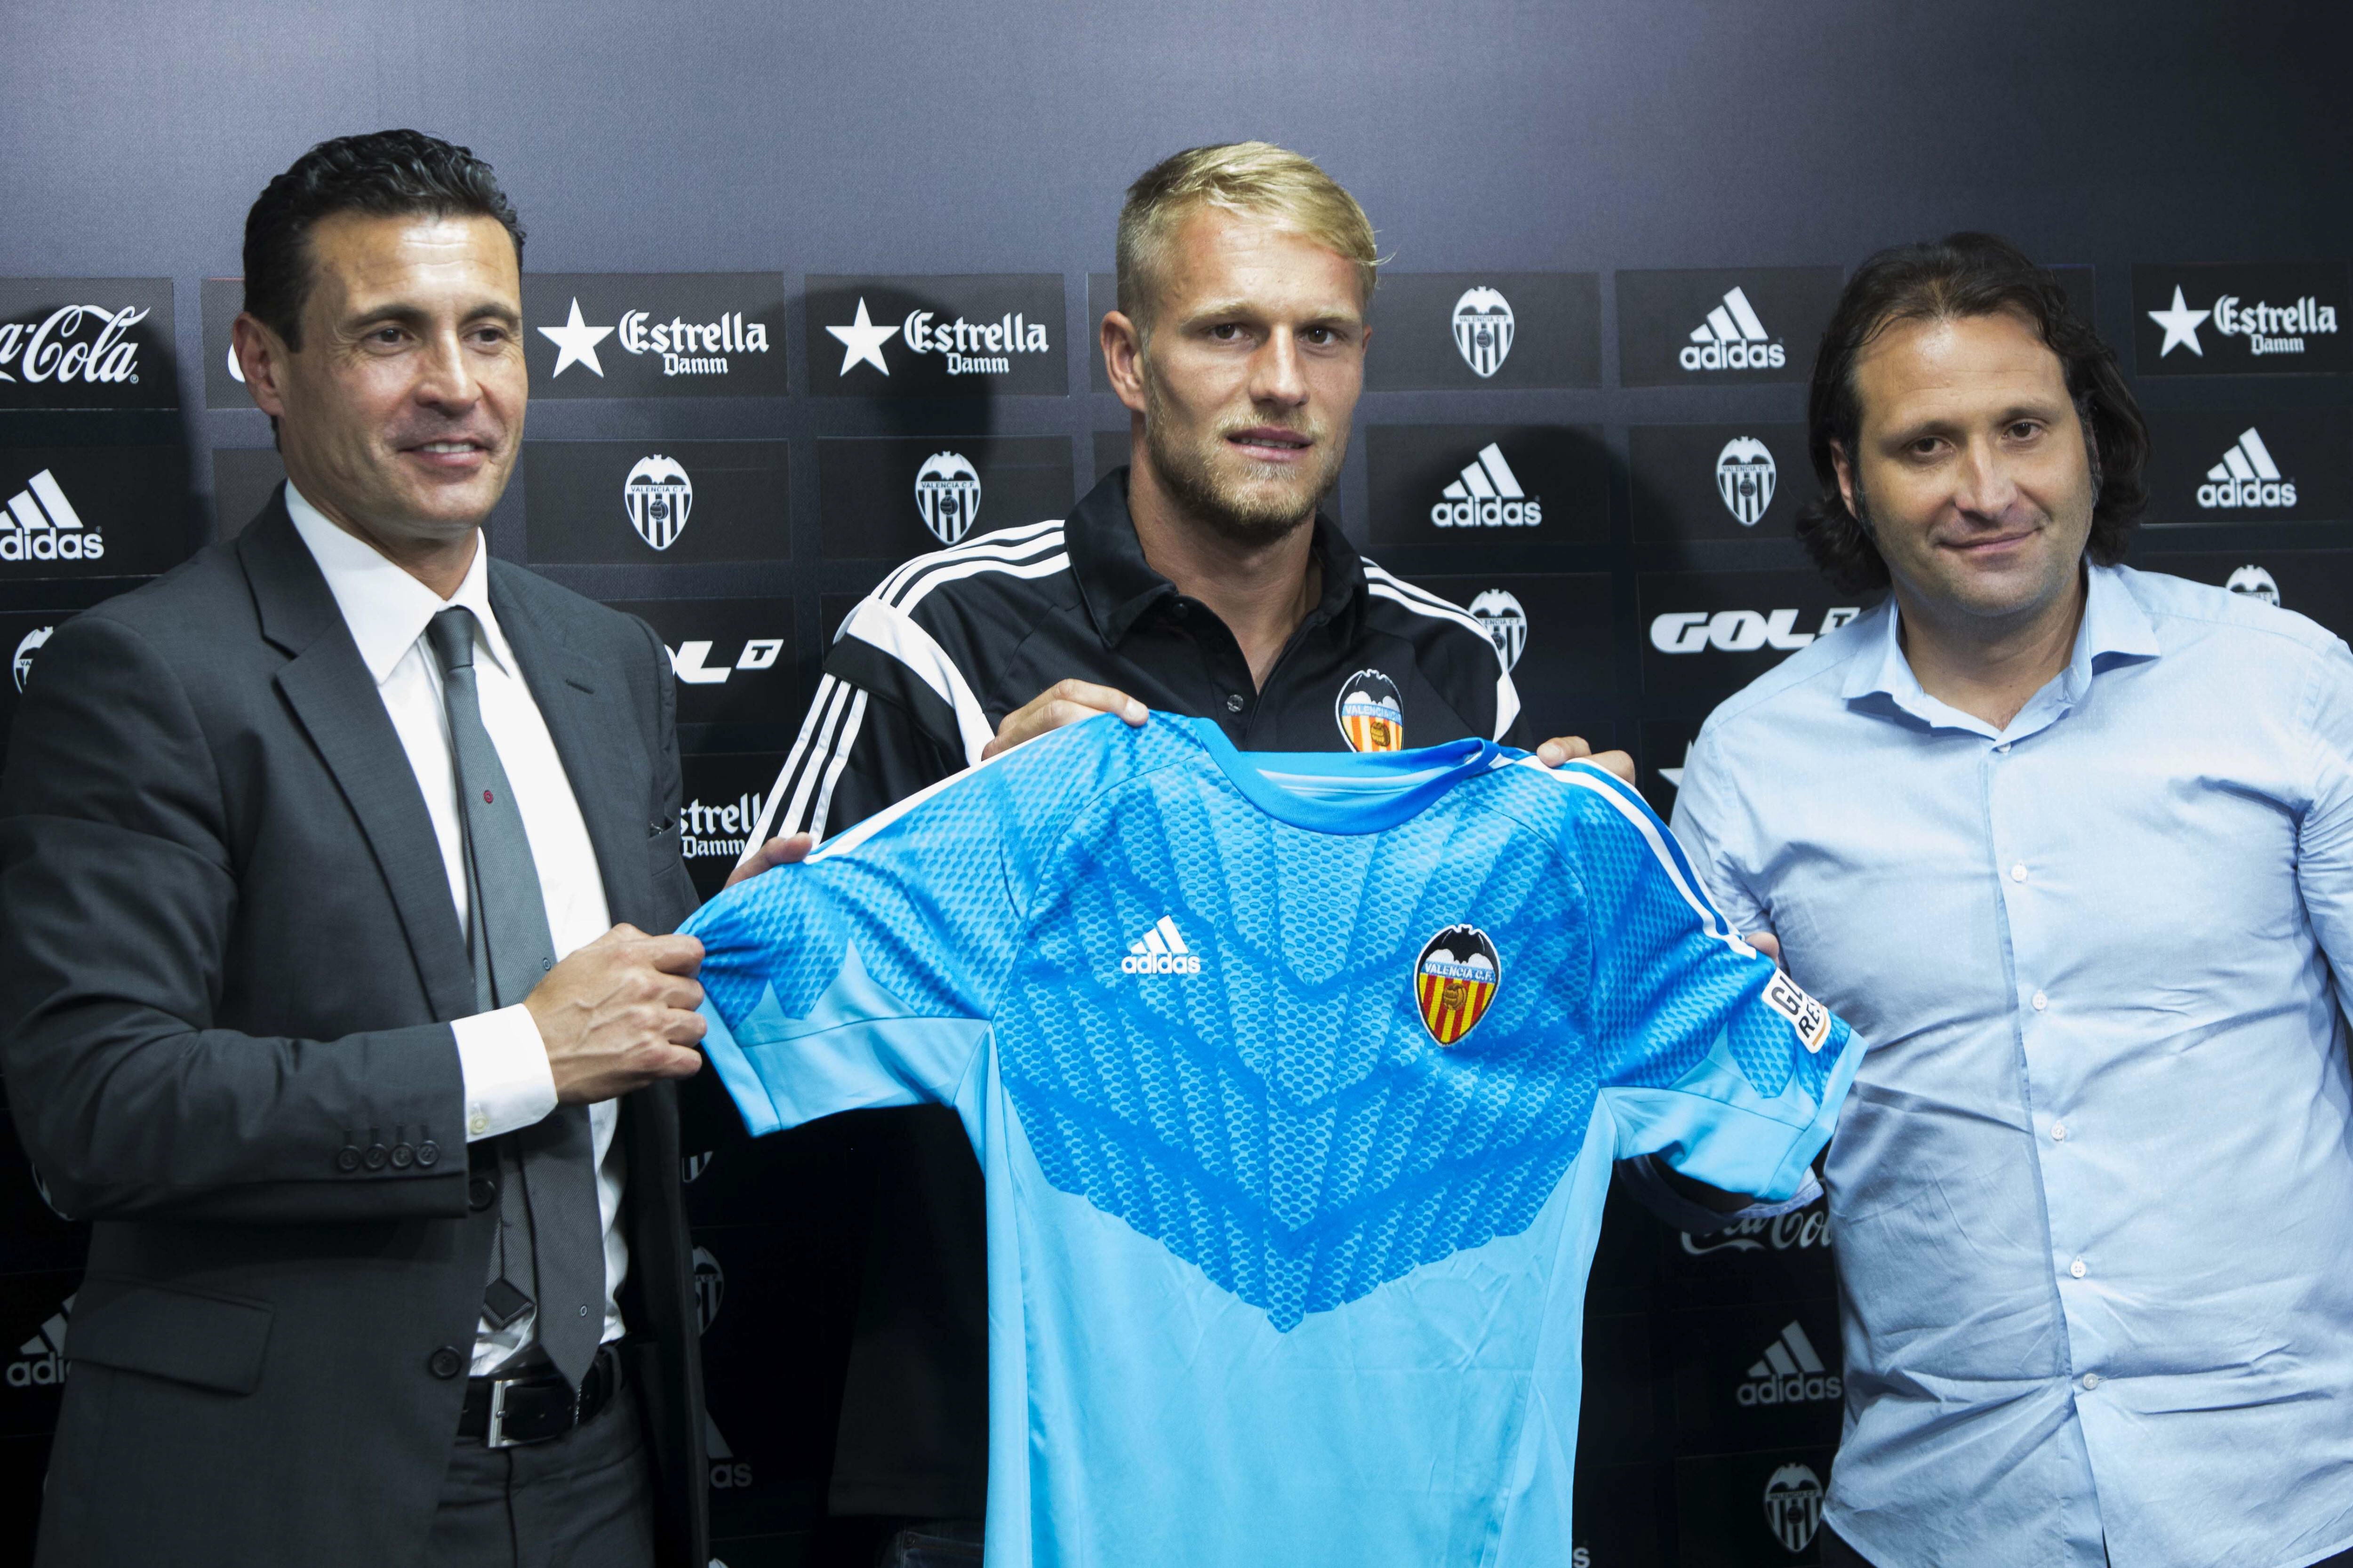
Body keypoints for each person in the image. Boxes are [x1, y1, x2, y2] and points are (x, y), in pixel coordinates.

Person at [728, 141, 1631, 1559]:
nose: (1282, 382)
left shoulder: (1456, 668)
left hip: (1378, 1476)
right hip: (1015, 1470)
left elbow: (1542, 1078)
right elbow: (739, 1022)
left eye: (1323, 336)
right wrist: (972, 847)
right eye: (1228, 332)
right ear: (1128, 358)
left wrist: (1612, 925)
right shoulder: (941, 633)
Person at [0, 130, 712, 1568]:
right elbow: (101, 1104)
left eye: (490, 332)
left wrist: (778, 937)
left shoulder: (608, 662)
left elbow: (645, 1036)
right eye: (391, 335)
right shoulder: (144, 676)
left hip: (606, 1476)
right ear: (264, 363)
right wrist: (518, 1055)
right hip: (288, 1494)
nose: (456, 384)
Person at [1668, 232, 2353, 1568]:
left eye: (2024, 429)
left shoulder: (2289, 691)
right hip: (1947, 1517)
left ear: (2088, 438)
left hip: (2297, 1507)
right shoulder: (1752, 764)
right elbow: (1716, 1173)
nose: (1988, 490)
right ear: (1847, 478)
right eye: (1926, 445)